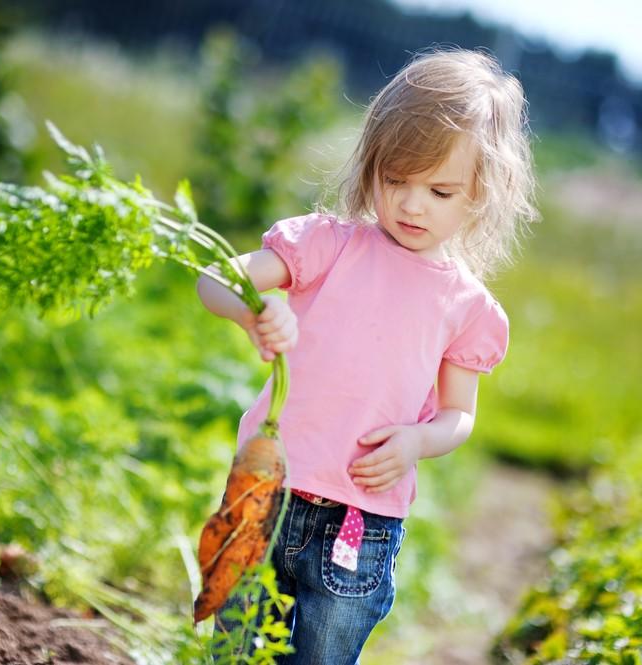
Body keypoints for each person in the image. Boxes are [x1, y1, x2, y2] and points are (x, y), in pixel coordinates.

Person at [195, 47, 538, 663]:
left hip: (360, 520)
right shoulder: (329, 245)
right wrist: (252, 310)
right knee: (235, 651)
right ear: (371, 166)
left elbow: (458, 415)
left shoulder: (467, 307)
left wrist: (417, 441)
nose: (412, 205)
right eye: (395, 180)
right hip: (266, 489)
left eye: (438, 190)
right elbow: (214, 279)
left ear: (481, 195)